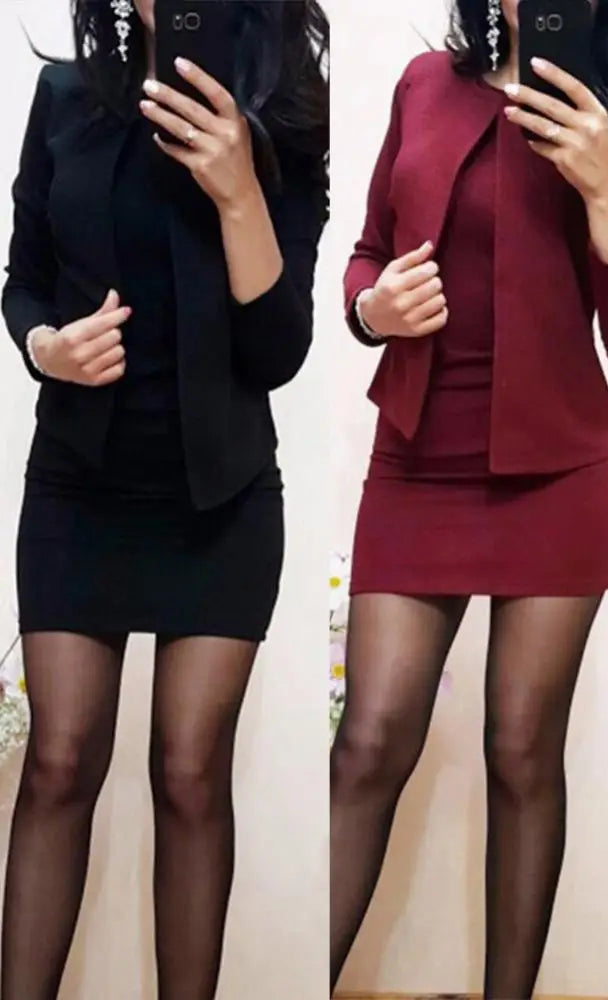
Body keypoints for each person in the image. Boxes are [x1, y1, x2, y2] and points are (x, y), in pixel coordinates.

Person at [329, 0, 608, 995]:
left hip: (559, 476)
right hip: (416, 464)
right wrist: (371, 309)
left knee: (522, 752)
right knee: (369, 742)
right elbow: (365, 251)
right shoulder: (423, 86)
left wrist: (606, 186)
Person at [1, 2, 328, 997]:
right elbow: (23, 279)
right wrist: (46, 348)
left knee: (189, 773)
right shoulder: (64, 96)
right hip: (78, 486)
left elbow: (278, 349)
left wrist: (239, 191)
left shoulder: (287, 113)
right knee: (59, 762)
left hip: (219, 497)